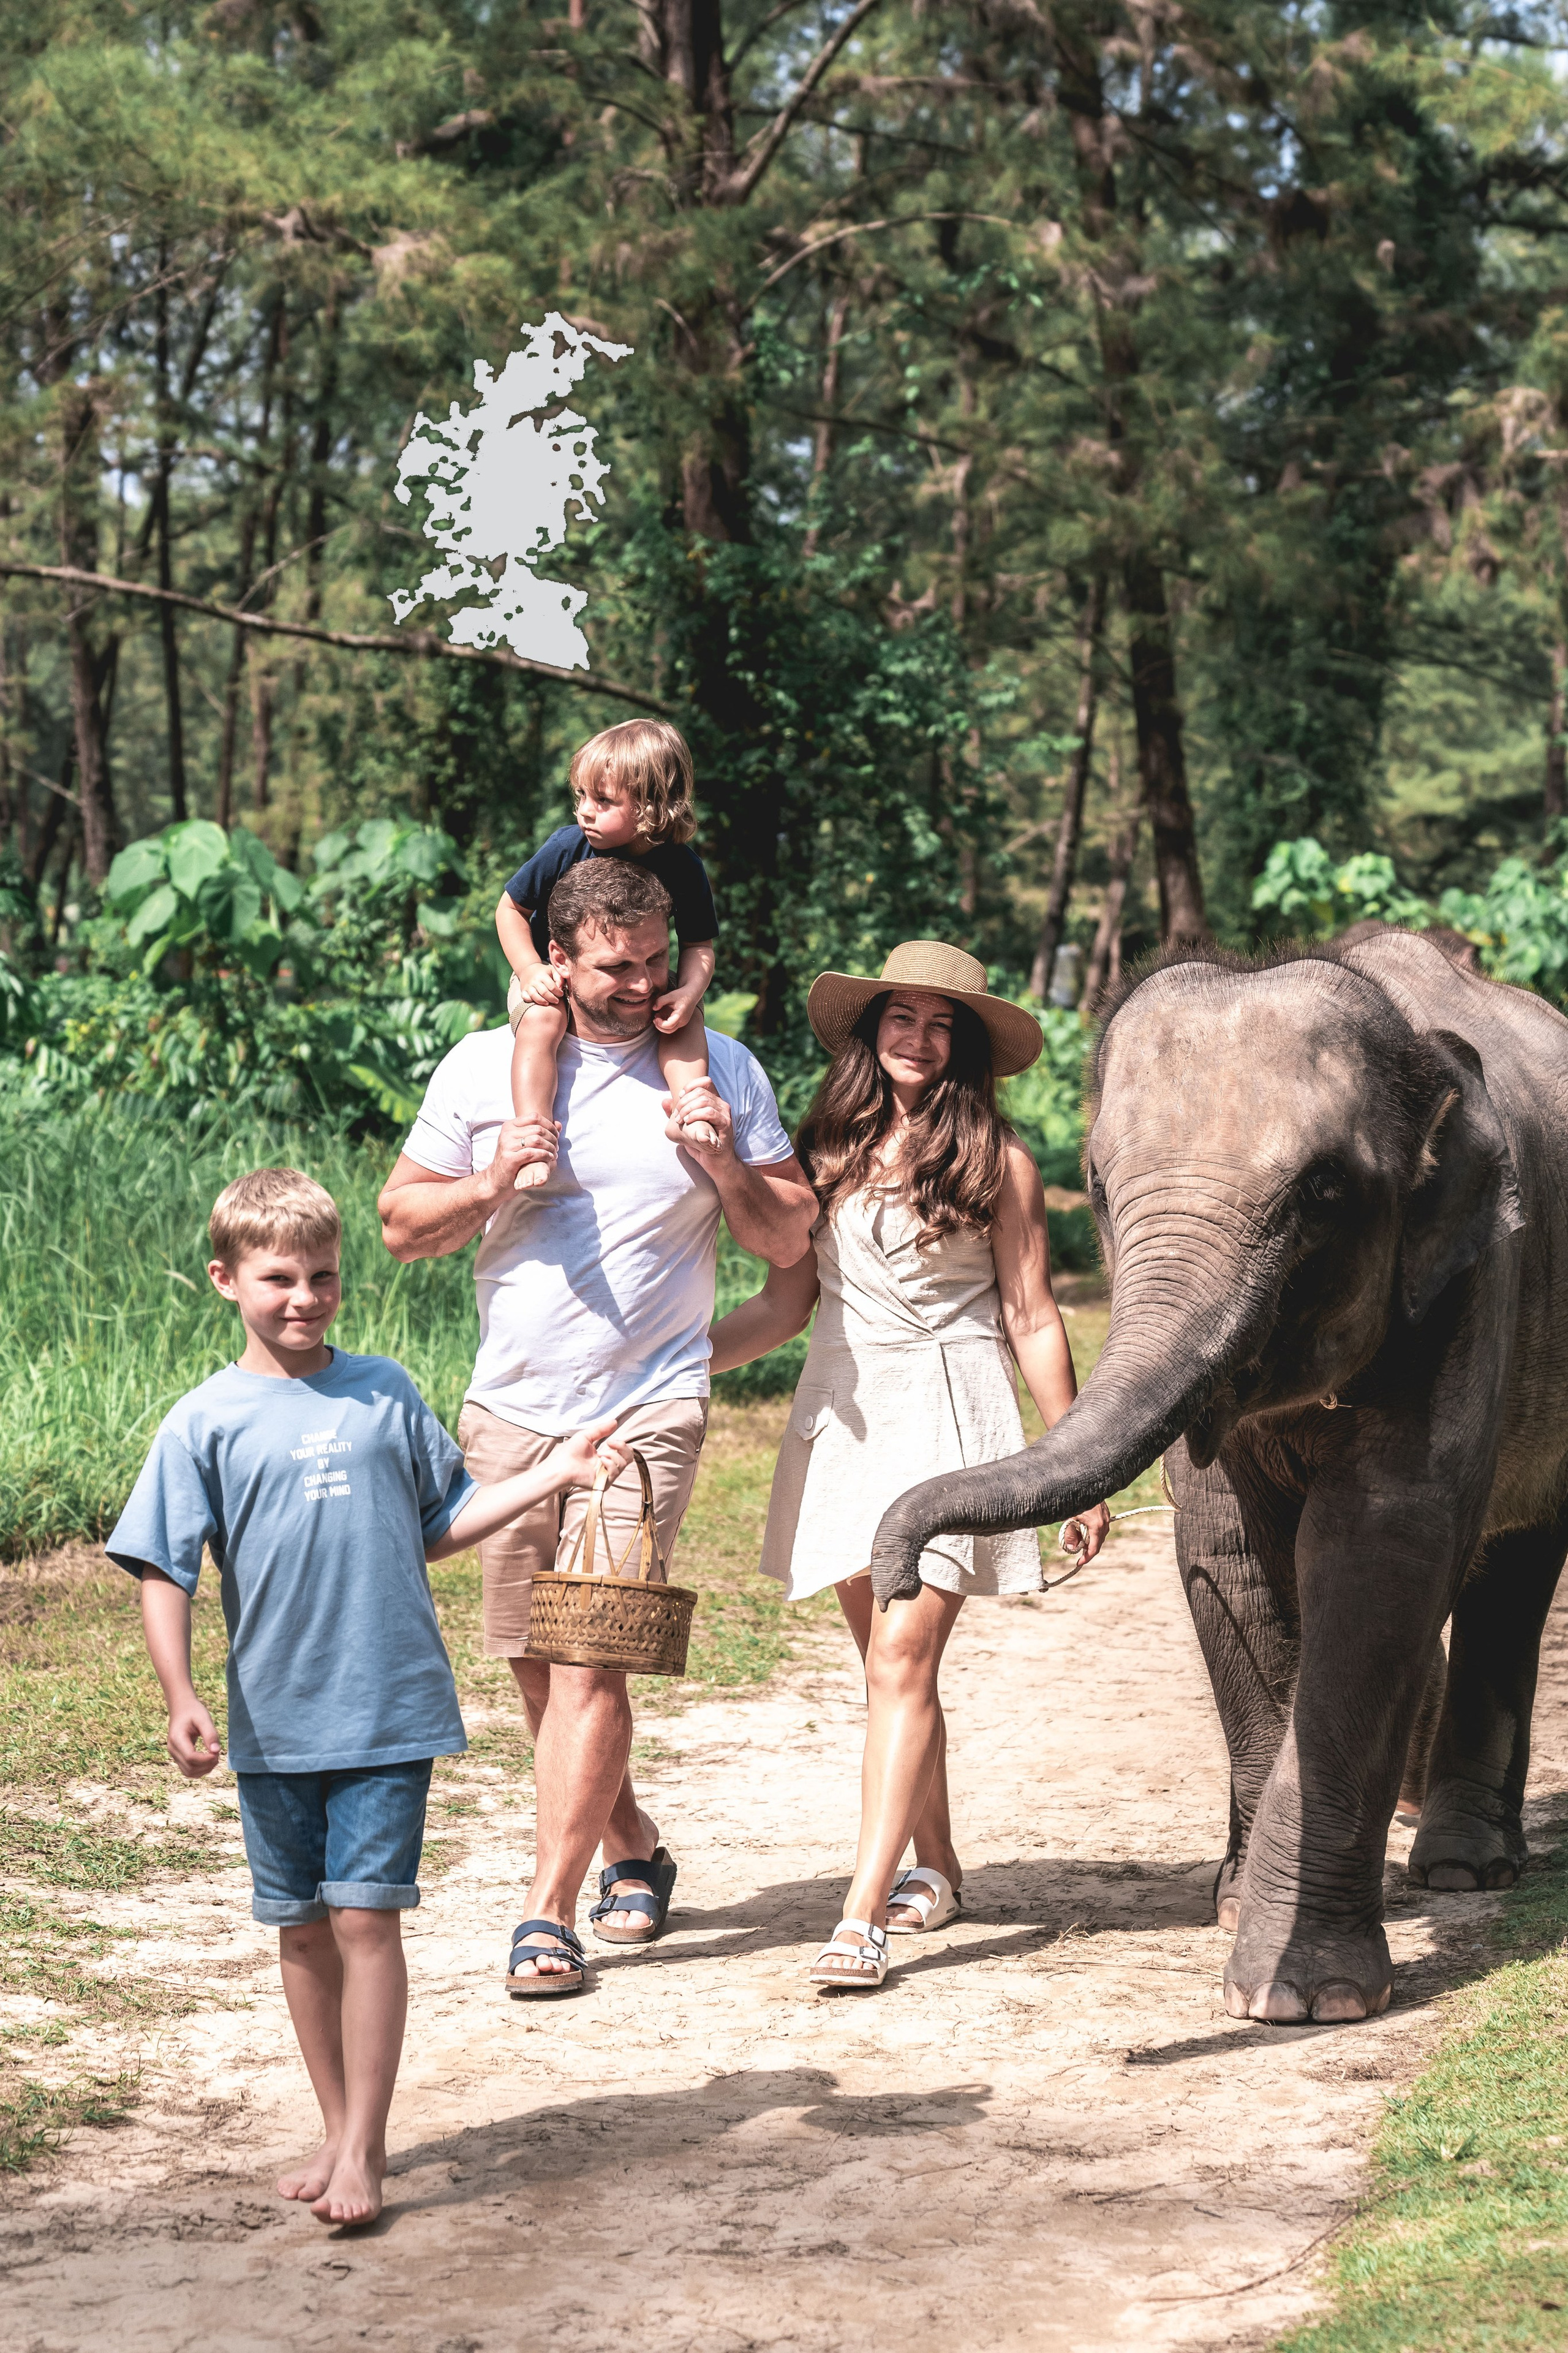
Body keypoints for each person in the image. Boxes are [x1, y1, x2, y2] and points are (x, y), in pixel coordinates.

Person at [108, 1167, 630, 2229]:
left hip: (388, 1709)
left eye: (324, 1277)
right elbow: (168, 1570)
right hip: (272, 1720)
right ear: (225, 1279)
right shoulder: (202, 1421)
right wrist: (180, 1694)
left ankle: (365, 2149)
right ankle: (338, 2123)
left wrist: (558, 1472)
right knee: (300, 1930)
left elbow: (439, 1521)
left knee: (363, 1918)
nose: (303, 1297)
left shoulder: (386, 1390)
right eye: (278, 1278)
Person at [379, 859, 816, 1995]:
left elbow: (785, 1250)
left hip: (648, 1413)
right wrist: (486, 1190)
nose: (640, 984)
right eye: (614, 965)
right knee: (536, 1664)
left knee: (594, 1659)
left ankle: (546, 1912)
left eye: (656, 959)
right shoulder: (488, 1065)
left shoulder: (722, 1068)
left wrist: (720, 1157)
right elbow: (396, 1223)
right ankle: (634, 1847)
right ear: (558, 958)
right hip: (513, 1407)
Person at [709, 941, 1112, 1990]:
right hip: (843, 1413)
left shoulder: (1002, 1162)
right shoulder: (821, 1152)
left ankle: (860, 1914)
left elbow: (1030, 1315)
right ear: (871, 1029)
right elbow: (785, 1307)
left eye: (942, 1024)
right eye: (903, 1018)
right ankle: (938, 1863)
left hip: (951, 1411)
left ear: (964, 1043)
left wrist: (1076, 1461)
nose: (920, 1040)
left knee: (900, 1664)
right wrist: (672, 1357)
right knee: (891, 1670)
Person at [496, 718, 720, 1187]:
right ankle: (533, 1137)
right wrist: (529, 967)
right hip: (551, 974)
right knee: (543, 1020)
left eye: (603, 801)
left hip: (635, 976)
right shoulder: (567, 846)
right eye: (581, 797)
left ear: (652, 807)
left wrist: (689, 992)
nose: (585, 812)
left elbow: (699, 943)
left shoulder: (681, 865)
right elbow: (511, 908)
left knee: (685, 1019)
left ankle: (692, 1111)